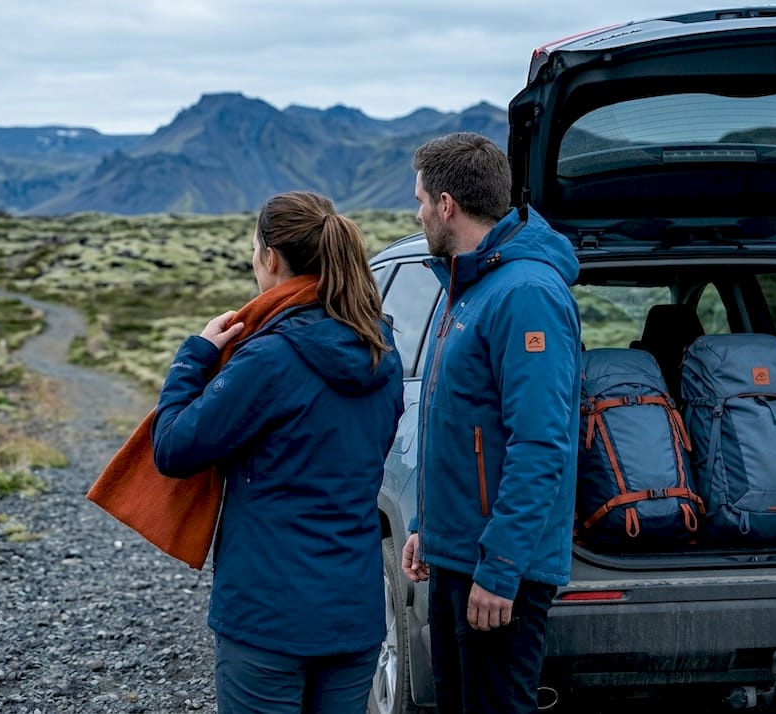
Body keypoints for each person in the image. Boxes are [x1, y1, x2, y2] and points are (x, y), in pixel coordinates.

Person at [151, 190, 404, 713]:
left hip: (268, 615)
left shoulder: (269, 358)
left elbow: (174, 448)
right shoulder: (383, 352)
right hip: (353, 610)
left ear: (270, 258)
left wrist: (194, 357)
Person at [400, 133, 581, 714]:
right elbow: (462, 428)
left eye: (422, 200)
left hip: (500, 568)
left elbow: (540, 444)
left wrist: (502, 569)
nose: (419, 212)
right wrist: (431, 528)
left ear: (447, 204)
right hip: (460, 555)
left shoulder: (525, 292)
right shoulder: (472, 283)